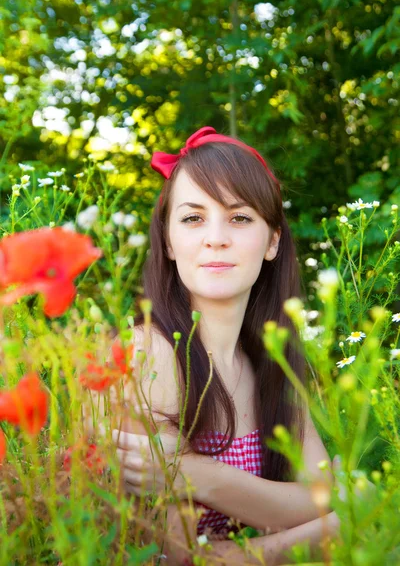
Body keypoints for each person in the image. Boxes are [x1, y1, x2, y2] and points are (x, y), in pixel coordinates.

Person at [110, 126, 340, 564]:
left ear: (272, 240)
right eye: (193, 218)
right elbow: (170, 557)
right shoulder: (147, 356)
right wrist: (321, 533)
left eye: (239, 217)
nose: (216, 237)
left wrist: (197, 475)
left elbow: (323, 494)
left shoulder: (274, 363)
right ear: (168, 241)